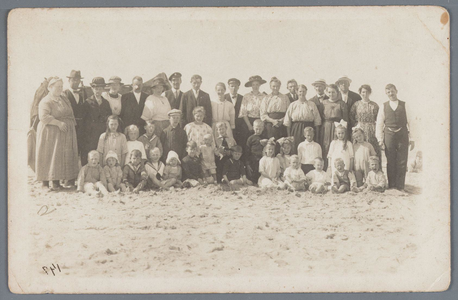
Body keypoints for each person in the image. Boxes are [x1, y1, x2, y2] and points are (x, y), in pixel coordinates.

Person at [35, 77, 79, 190]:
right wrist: (58, 123)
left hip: (63, 133)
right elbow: (43, 117)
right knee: (49, 155)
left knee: (59, 157)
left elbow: (69, 112)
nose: (60, 89)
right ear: (50, 88)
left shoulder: (63, 98)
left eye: (61, 86)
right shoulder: (46, 101)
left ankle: (56, 182)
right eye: (57, 87)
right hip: (50, 132)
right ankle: (45, 182)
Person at [376, 84, 415, 191]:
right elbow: (379, 124)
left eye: (392, 91)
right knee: (391, 160)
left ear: (396, 91)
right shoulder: (384, 106)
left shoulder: (404, 105)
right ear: (386, 94)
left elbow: (411, 122)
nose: (391, 94)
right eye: (388, 92)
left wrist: (412, 139)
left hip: (402, 134)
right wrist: (380, 139)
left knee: (402, 160)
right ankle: (392, 185)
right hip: (389, 135)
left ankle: (400, 186)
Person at [81, 77, 113, 166]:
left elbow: (109, 118)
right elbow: (83, 121)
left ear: (103, 89)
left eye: (100, 88)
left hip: (102, 133)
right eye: (95, 88)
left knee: (101, 153)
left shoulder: (106, 103)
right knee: (90, 154)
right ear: (92, 89)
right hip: (90, 134)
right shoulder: (87, 103)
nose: (97, 91)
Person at [284, 84, 321, 153]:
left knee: (308, 149)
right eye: (300, 91)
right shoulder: (293, 105)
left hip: (309, 127)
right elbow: (287, 121)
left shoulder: (311, 104)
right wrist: (289, 136)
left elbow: (317, 120)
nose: (302, 93)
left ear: (306, 92)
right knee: (296, 148)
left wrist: (317, 135)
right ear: (297, 92)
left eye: (304, 91)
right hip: (296, 129)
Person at [320, 84, 349, 169]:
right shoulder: (324, 103)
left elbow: (345, 119)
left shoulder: (341, 103)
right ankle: (326, 169)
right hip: (326, 127)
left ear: (337, 92)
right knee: (326, 147)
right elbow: (321, 117)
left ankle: (338, 170)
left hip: (338, 128)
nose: (331, 94)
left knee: (337, 147)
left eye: (333, 92)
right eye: (329, 92)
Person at [349, 84, 381, 161]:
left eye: (367, 92)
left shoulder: (374, 105)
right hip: (359, 128)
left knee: (371, 149)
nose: (365, 94)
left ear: (370, 93)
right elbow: (351, 116)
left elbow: (379, 118)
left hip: (371, 130)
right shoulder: (356, 104)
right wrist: (356, 126)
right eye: (363, 92)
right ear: (360, 93)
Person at [63, 70, 89, 160]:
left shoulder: (81, 95)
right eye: (73, 80)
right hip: (70, 126)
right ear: (69, 80)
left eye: (78, 80)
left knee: (79, 149)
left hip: (80, 127)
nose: (76, 82)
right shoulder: (64, 94)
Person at [239, 75, 267, 151]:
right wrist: (249, 125)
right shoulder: (246, 96)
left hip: (260, 122)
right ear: (251, 86)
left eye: (257, 84)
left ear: (260, 85)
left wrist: (261, 124)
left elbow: (264, 111)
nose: (255, 86)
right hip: (248, 121)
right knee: (247, 142)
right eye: (253, 85)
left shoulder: (264, 96)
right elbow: (243, 112)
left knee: (260, 142)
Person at [224, 78, 244, 147]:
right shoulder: (224, 97)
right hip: (227, 126)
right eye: (232, 86)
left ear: (238, 87)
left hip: (239, 126)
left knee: (239, 144)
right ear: (228, 87)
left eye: (236, 86)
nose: (234, 88)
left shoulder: (242, 98)